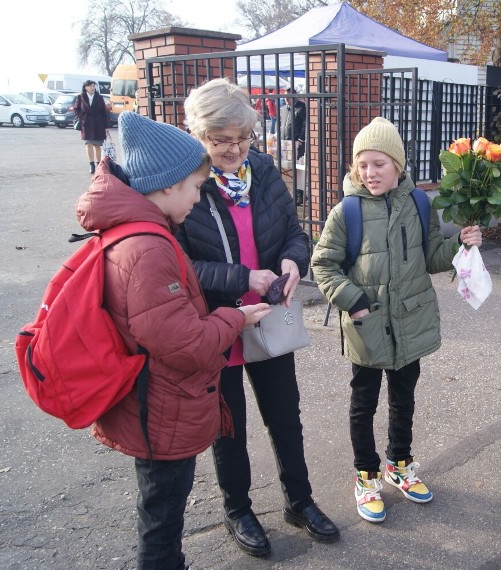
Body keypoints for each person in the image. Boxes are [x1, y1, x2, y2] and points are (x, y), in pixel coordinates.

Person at [75, 111, 271, 569]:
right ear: (165, 185)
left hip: (156, 405)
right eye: (194, 188)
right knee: (161, 527)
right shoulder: (148, 247)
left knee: (162, 518)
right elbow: (182, 342)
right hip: (160, 411)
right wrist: (233, 318)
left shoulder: (145, 234)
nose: (199, 198)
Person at [175, 78, 340, 556]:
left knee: (285, 415)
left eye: (243, 138)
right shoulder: (186, 184)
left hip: (269, 316)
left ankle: (299, 500)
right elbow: (180, 264)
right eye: (221, 140)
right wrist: (242, 277)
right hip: (219, 320)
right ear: (198, 136)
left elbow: (293, 231)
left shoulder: (264, 171)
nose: (235, 149)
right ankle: (238, 510)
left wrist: (293, 261)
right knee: (229, 428)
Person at [310, 117, 483, 524]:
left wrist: (460, 243)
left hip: (411, 322)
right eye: (363, 164)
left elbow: (431, 258)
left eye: (379, 164)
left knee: (403, 399)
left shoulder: (420, 204)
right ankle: (367, 476)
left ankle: (399, 464)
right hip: (367, 326)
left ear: (398, 166)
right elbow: (323, 265)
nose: (369, 173)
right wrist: (354, 301)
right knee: (363, 403)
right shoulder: (346, 212)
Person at [74, 79, 109, 175]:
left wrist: (106, 125)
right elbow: (76, 109)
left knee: (97, 145)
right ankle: (91, 165)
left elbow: (103, 112)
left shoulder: (99, 97)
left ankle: (98, 165)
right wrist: (82, 117)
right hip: (87, 123)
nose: (92, 88)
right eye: (90, 86)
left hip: (98, 123)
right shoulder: (81, 97)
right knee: (88, 144)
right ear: (86, 87)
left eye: (94, 86)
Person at [280, 88, 306, 161]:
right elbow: (281, 123)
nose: (286, 99)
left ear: (295, 97)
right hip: (284, 140)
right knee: (285, 162)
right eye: (285, 97)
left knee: (295, 162)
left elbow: (305, 124)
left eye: (288, 97)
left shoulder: (301, 107)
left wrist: (300, 139)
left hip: (295, 141)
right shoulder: (284, 108)